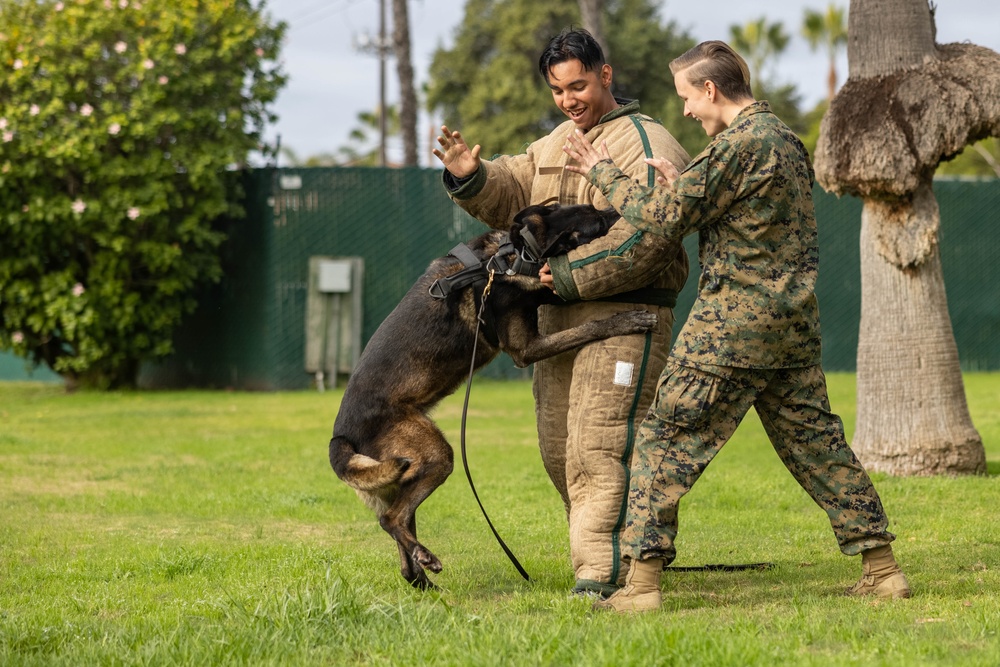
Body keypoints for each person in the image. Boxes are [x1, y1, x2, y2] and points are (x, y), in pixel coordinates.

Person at [555, 40, 910, 612]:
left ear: (711, 89)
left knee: (662, 440)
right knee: (817, 445)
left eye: (687, 98)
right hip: (789, 327)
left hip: (731, 328)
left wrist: (601, 171)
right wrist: (681, 183)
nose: (687, 111)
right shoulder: (783, 140)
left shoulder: (739, 145)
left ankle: (641, 586)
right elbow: (734, 212)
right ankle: (883, 568)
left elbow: (666, 220)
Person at [432, 28, 691, 598]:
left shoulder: (648, 144)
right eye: (557, 90)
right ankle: (635, 548)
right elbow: (511, 192)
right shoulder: (552, 144)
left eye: (578, 85)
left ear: (606, 73)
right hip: (557, 320)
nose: (569, 100)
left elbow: (649, 237)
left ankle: (600, 575)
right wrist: (468, 175)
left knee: (599, 446)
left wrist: (572, 275)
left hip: (626, 317)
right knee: (558, 451)